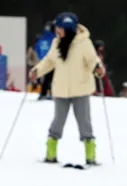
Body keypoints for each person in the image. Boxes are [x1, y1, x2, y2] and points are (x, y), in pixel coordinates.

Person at [29, 11, 104, 166]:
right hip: (61, 89)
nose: (57, 31)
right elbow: (49, 61)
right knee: (57, 122)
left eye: (60, 28)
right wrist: (37, 70)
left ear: (68, 28)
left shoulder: (84, 43)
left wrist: (98, 68)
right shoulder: (56, 43)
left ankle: (90, 154)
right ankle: (51, 152)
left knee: (84, 122)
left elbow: (92, 60)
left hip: (81, 89)